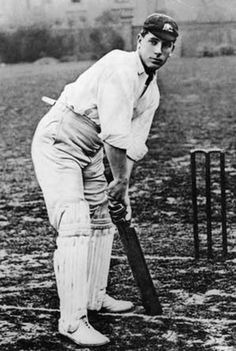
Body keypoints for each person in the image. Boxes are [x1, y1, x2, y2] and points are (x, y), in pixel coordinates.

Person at [31, 13, 179, 347]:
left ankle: (94, 298)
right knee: (76, 221)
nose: (158, 50)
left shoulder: (150, 91)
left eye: (166, 45)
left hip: (92, 150)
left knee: (102, 220)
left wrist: (121, 190)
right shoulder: (120, 67)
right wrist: (120, 183)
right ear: (139, 40)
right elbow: (115, 136)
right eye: (153, 42)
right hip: (61, 141)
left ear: (171, 51)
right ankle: (71, 321)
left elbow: (133, 147)